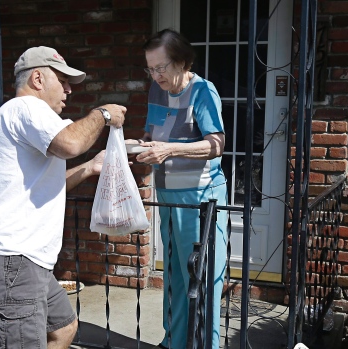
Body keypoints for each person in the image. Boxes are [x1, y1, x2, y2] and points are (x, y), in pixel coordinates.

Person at [0, 46, 126, 349]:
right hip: (10, 262)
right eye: (62, 81)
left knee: (63, 328)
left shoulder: (19, 118)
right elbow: (71, 143)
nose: (68, 90)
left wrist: (90, 168)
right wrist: (102, 115)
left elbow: (42, 184)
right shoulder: (27, 108)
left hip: (17, 262)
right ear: (37, 78)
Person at [128, 29, 228, 349]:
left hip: (200, 198)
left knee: (201, 279)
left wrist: (170, 150)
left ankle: (205, 345)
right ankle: (175, 342)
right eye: (150, 68)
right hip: (168, 196)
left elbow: (216, 144)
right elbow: (152, 133)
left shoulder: (203, 92)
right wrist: (133, 147)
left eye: (161, 67)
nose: (155, 75)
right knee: (174, 276)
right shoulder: (157, 91)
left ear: (182, 62)